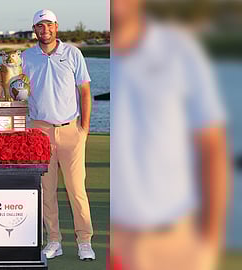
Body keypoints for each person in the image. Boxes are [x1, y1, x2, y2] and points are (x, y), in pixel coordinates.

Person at [110, 0, 229, 269]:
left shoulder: (180, 50)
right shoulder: (86, 62)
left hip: (172, 242)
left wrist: (210, 242)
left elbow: (213, 146)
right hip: (113, 245)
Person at [21, 9, 95, 261]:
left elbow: (84, 91)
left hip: (70, 130)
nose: (45, 30)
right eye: (40, 27)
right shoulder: (26, 57)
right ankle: (54, 239)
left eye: (49, 25)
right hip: (39, 131)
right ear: (35, 30)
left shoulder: (73, 53)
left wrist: (84, 128)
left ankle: (84, 240)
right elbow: (17, 93)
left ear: (56, 26)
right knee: (46, 189)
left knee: (76, 189)